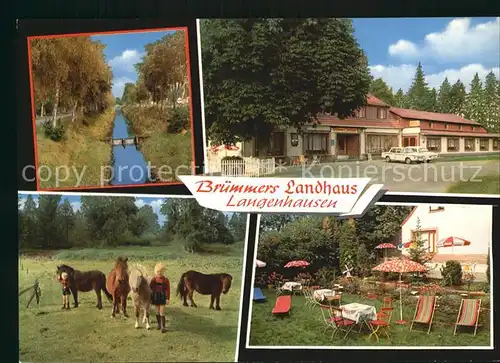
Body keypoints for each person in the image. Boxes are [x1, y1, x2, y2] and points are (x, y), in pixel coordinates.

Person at [150, 263, 170, 333]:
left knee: (162, 311)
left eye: (161, 271)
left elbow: (168, 290)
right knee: (157, 311)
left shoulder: (166, 280)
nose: (159, 273)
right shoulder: (154, 279)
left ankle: (163, 327)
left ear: (163, 271)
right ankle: (159, 325)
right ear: (155, 272)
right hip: (155, 296)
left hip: (162, 297)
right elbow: (150, 288)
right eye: (158, 271)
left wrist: (167, 298)